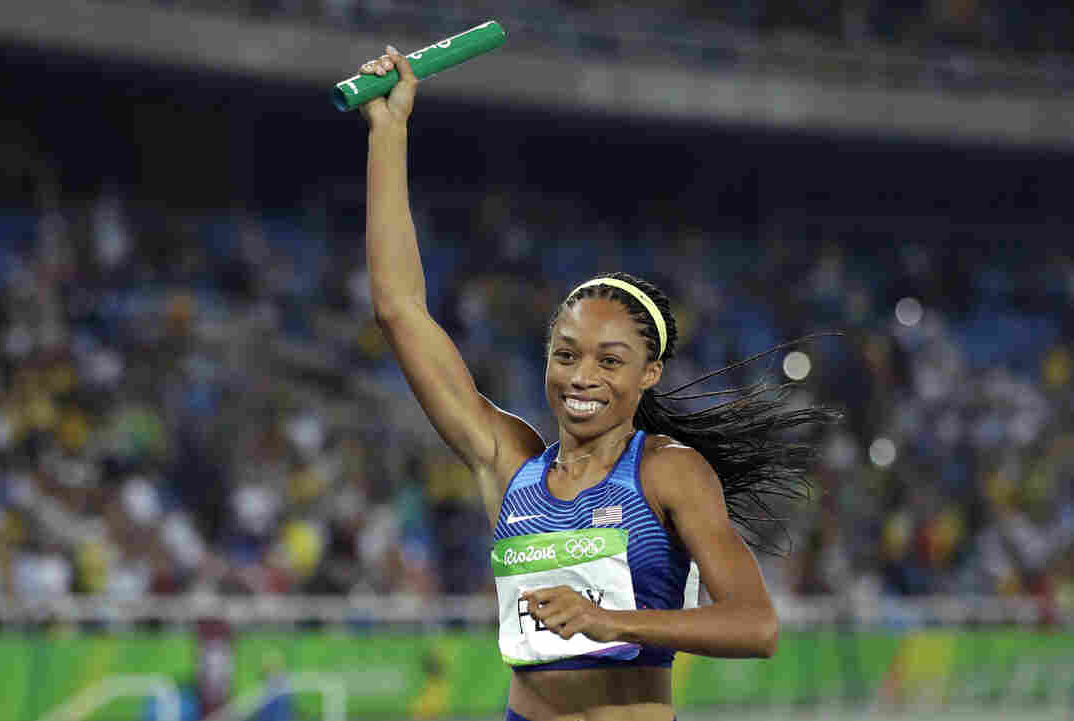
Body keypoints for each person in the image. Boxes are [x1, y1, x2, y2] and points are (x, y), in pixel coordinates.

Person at [358, 45, 838, 721]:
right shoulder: (508, 463)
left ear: (649, 373)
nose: (581, 376)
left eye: (610, 360)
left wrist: (608, 621)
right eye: (566, 354)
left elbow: (755, 625)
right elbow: (399, 309)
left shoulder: (668, 472)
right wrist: (389, 132)